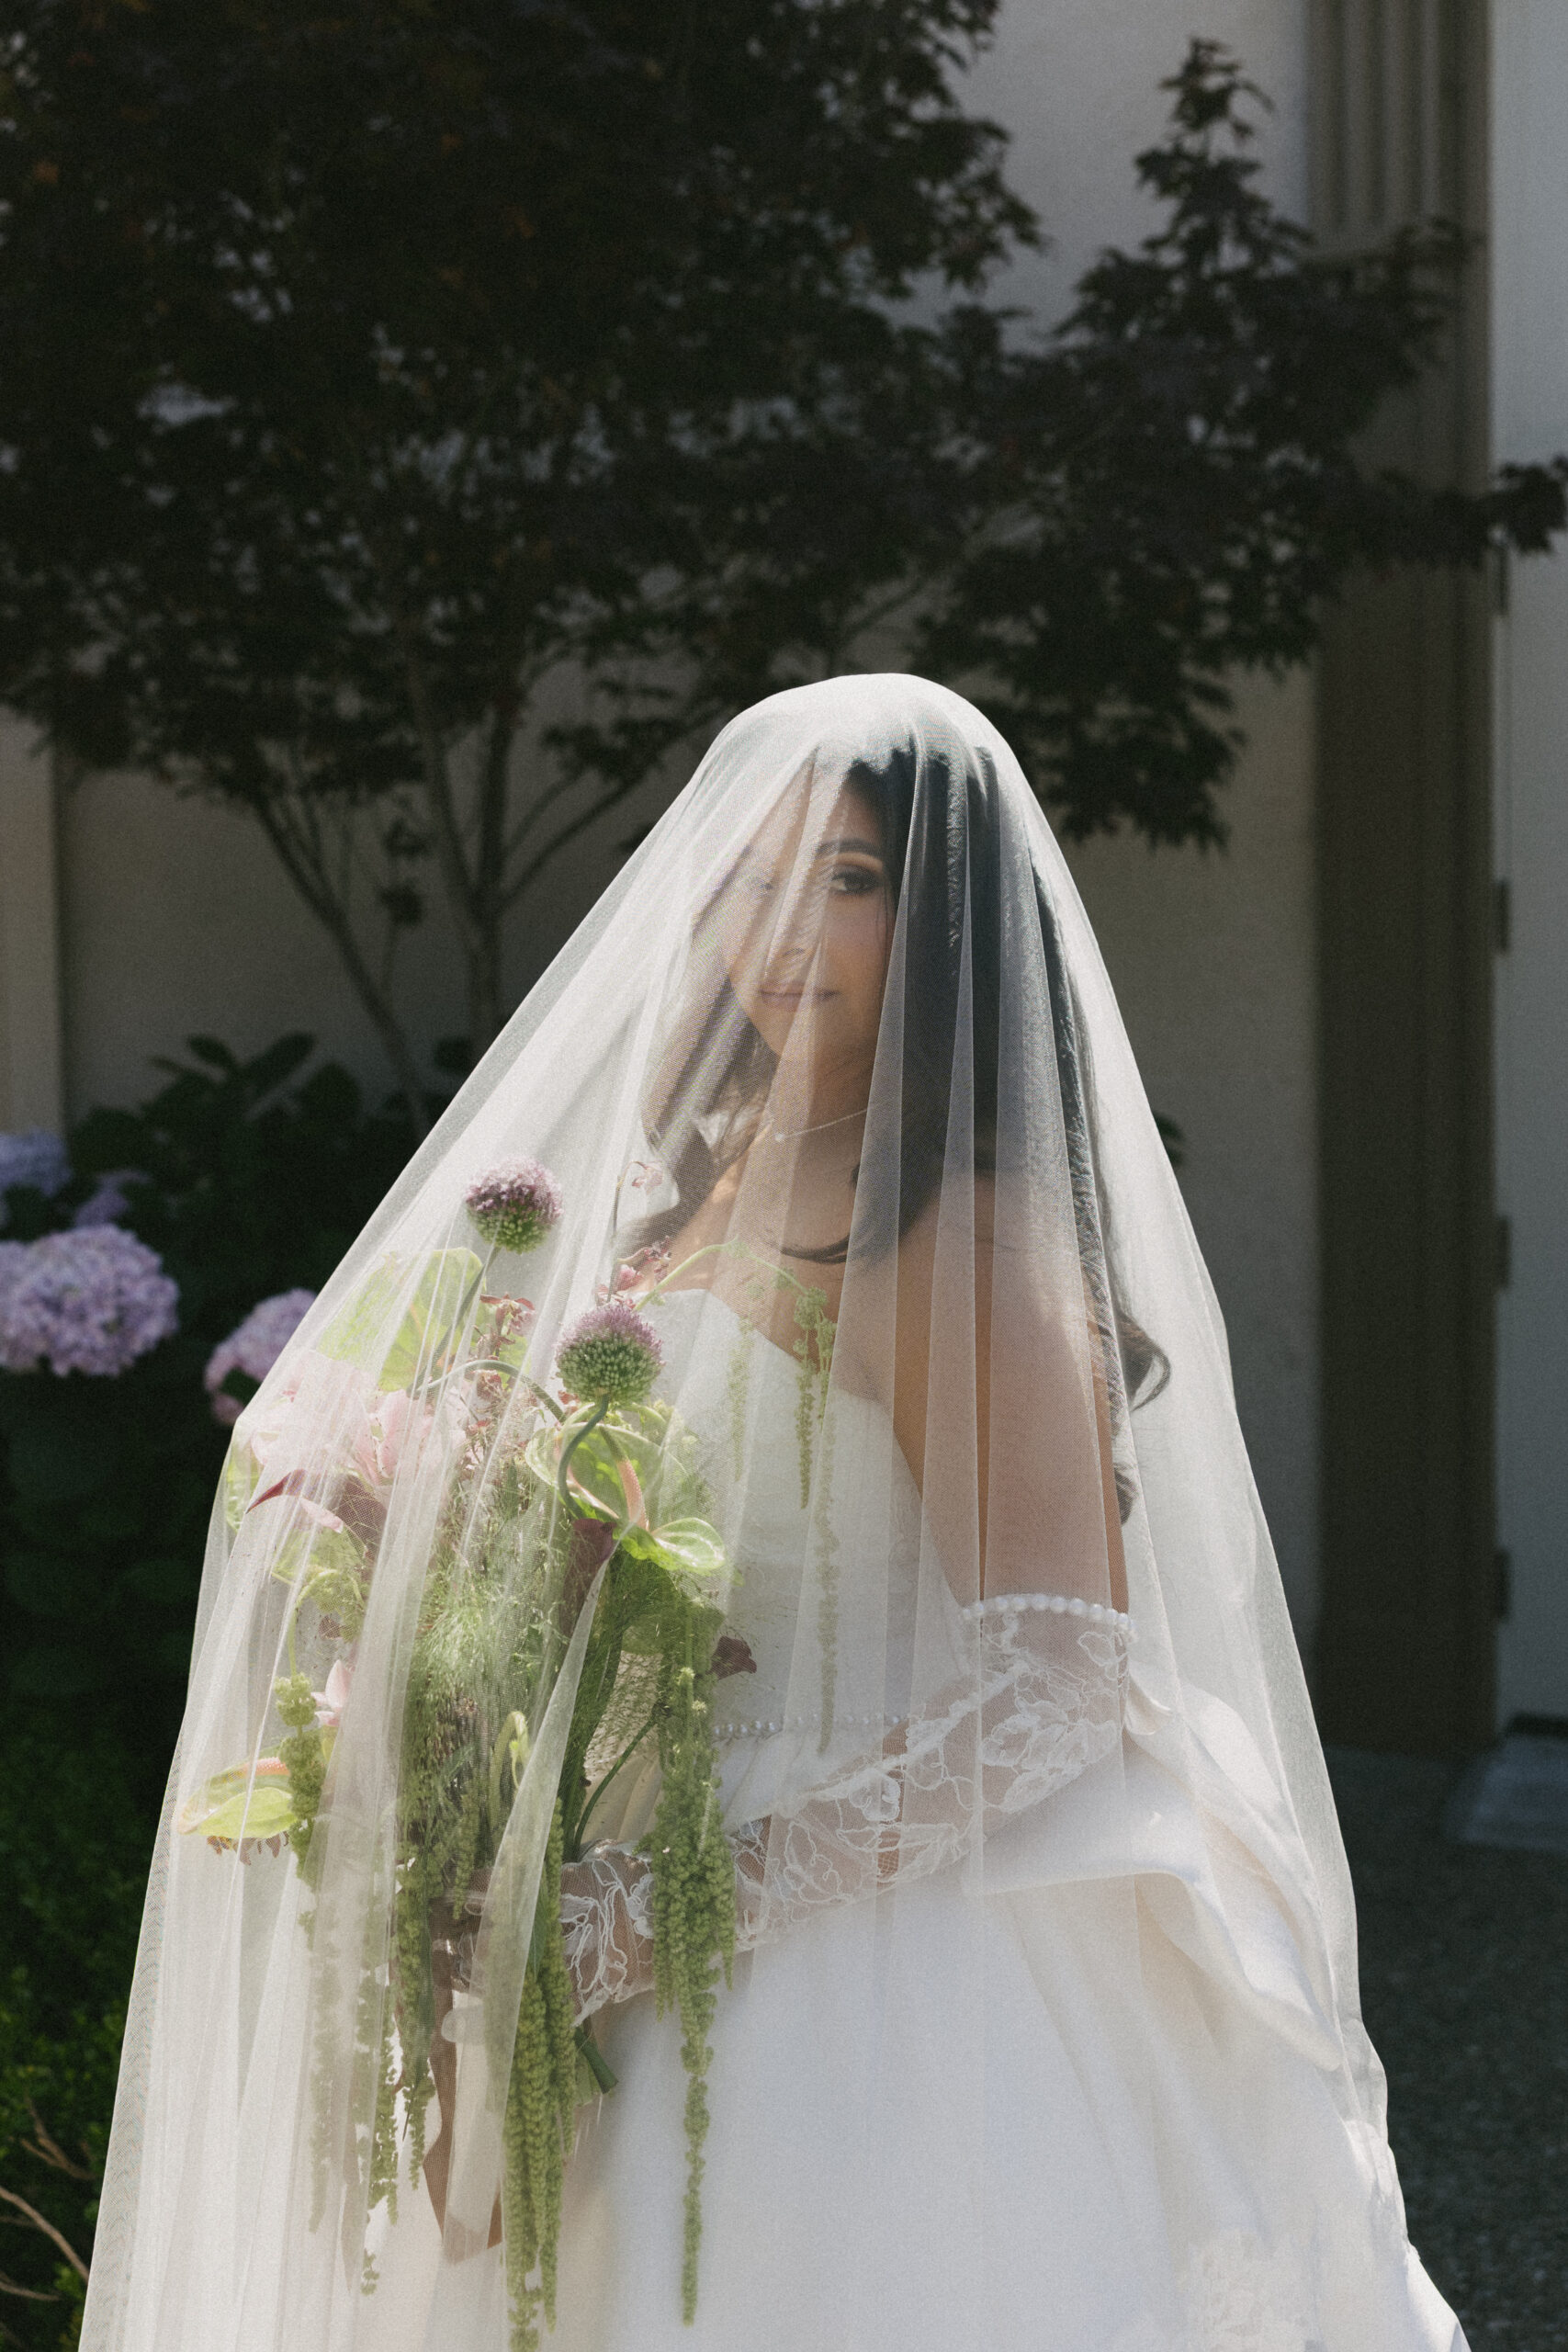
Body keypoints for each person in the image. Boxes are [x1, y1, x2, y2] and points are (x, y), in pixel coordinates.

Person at [83, 676, 1467, 2352]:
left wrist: (658, 1908)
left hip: (882, 1936)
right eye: (750, 877)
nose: (786, 929)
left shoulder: (959, 1241)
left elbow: (1059, 1680)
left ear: (944, 921)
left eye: (849, 879)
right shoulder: (698, 1187)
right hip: (627, 1850)